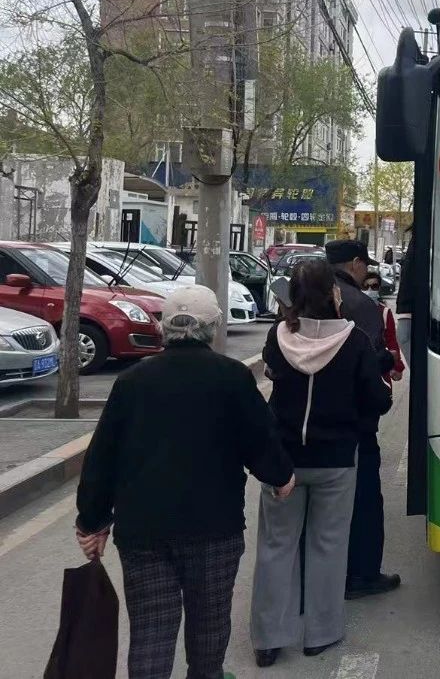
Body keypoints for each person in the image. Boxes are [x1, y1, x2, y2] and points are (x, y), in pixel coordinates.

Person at [74, 285, 294, 679]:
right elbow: (260, 439)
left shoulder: (133, 381)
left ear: (163, 327)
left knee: (151, 633)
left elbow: (103, 454)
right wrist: (281, 476)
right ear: (214, 326)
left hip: (144, 531)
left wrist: (92, 520)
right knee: (209, 629)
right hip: (214, 528)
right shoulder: (231, 377)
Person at [250, 259, 391, 667]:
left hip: (284, 461)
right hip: (336, 460)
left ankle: (268, 639)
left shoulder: (279, 336)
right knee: (328, 546)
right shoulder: (355, 340)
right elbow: (377, 399)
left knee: (276, 545)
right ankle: (321, 633)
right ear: (333, 293)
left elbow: (273, 374)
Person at [324, 238, 401, 600]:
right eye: (365, 265)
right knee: (364, 500)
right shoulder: (360, 305)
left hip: (303, 427)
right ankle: (362, 574)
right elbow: (371, 369)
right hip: (354, 423)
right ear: (355, 264)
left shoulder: (300, 300)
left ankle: (319, 578)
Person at [362, 272, 405, 387]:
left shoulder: (384, 312)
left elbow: (391, 340)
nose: (370, 290)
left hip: (380, 365)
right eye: (365, 287)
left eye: (374, 286)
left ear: (379, 288)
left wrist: (397, 366)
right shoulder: (353, 309)